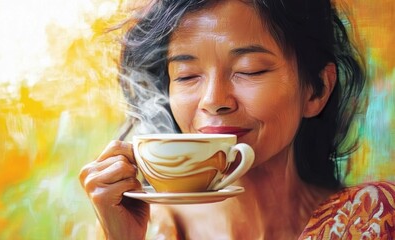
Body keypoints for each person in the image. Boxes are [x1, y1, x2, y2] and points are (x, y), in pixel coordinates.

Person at [79, 0, 395, 239]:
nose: (214, 101)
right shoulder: (144, 227)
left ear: (317, 90)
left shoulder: (371, 216)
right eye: (187, 76)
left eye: (249, 70)